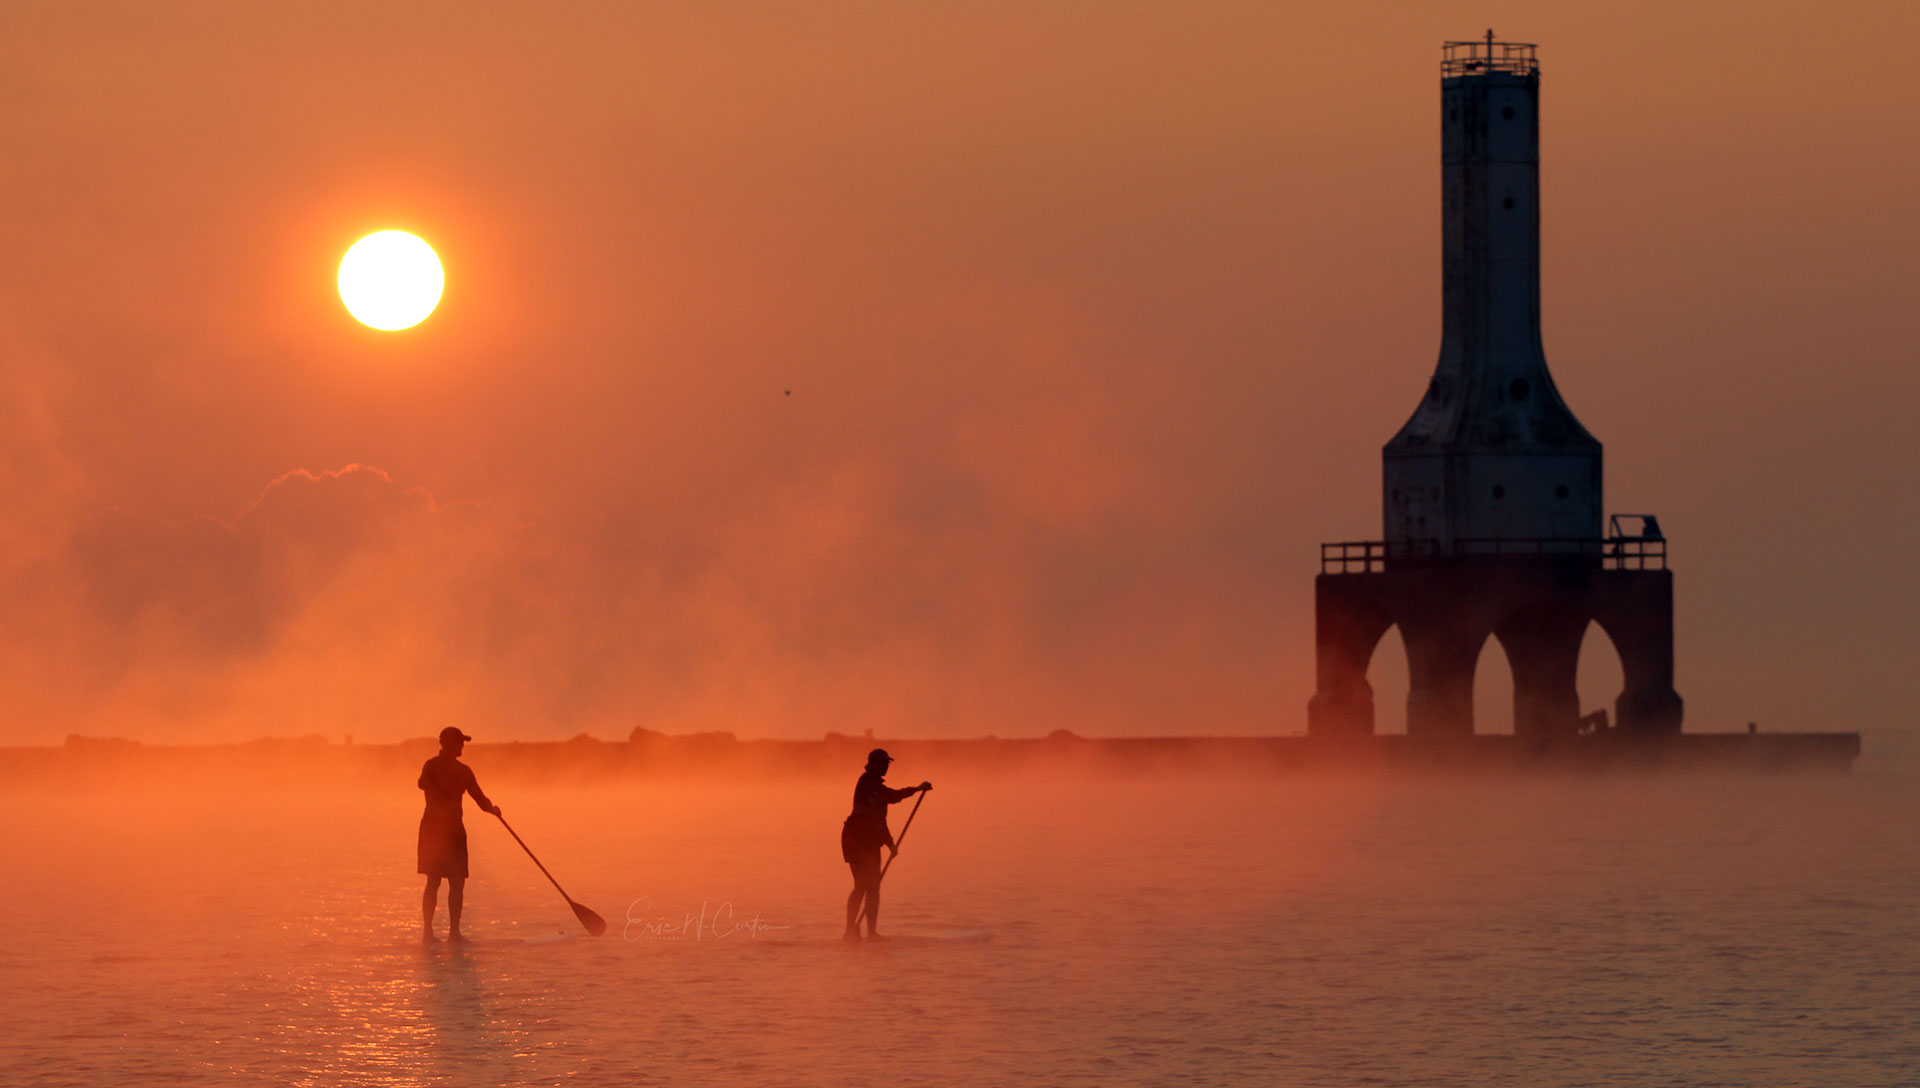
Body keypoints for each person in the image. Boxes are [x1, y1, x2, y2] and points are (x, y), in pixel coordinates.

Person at [418, 726, 500, 944]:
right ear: (448, 744)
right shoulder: (462, 771)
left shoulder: (430, 766)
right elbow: (481, 800)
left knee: (434, 881)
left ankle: (430, 934)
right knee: (453, 883)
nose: (463, 746)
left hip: (432, 829)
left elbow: (421, 784)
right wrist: (492, 809)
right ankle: (452, 934)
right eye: (460, 742)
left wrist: (491, 808)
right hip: (450, 830)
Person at [841, 748, 930, 942]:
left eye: (887, 764)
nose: (885, 767)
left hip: (870, 840)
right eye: (881, 764)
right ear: (872, 764)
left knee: (872, 888)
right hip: (857, 840)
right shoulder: (870, 785)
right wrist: (916, 790)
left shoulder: (875, 785)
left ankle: (870, 932)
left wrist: (888, 843)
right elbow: (888, 802)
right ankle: (850, 931)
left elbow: (880, 817)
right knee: (862, 886)